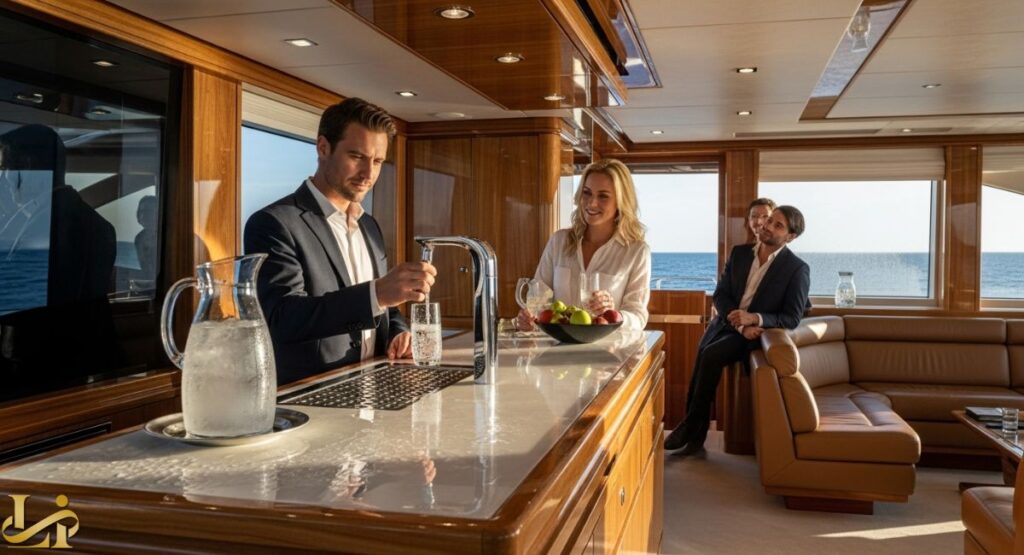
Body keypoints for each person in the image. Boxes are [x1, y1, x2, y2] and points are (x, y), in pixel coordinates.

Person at [244, 98, 436, 385]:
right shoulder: (273, 223)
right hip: (312, 399)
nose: (369, 173)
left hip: (373, 389)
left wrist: (398, 331)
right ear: (323, 148)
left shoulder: (369, 226)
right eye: (357, 156)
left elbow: (385, 308)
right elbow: (282, 318)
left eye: (378, 161)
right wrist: (379, 294)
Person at [664, 205, 810, 457]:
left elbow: (792, 316)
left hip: (753, 335)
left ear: (791, 237)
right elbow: (720, 294)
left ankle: (689, 426)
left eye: (778, 225)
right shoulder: (740, 253)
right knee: (701, 359)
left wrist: (754, 318)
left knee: (710, 356)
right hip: (729, 324)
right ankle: (696, 434)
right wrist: (740, 324)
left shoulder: (796, 269)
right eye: (770, 221)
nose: (768, 226)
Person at [517, 158, 651, 332]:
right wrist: (530, 318)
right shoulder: (559, 241)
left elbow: (638, 317)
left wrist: (614, 313)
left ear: (620, 202)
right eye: (587, 193)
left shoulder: (636, 252)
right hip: (557, 351)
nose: (592, 203)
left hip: (609, 353)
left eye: (603, 196)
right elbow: (537, 299)